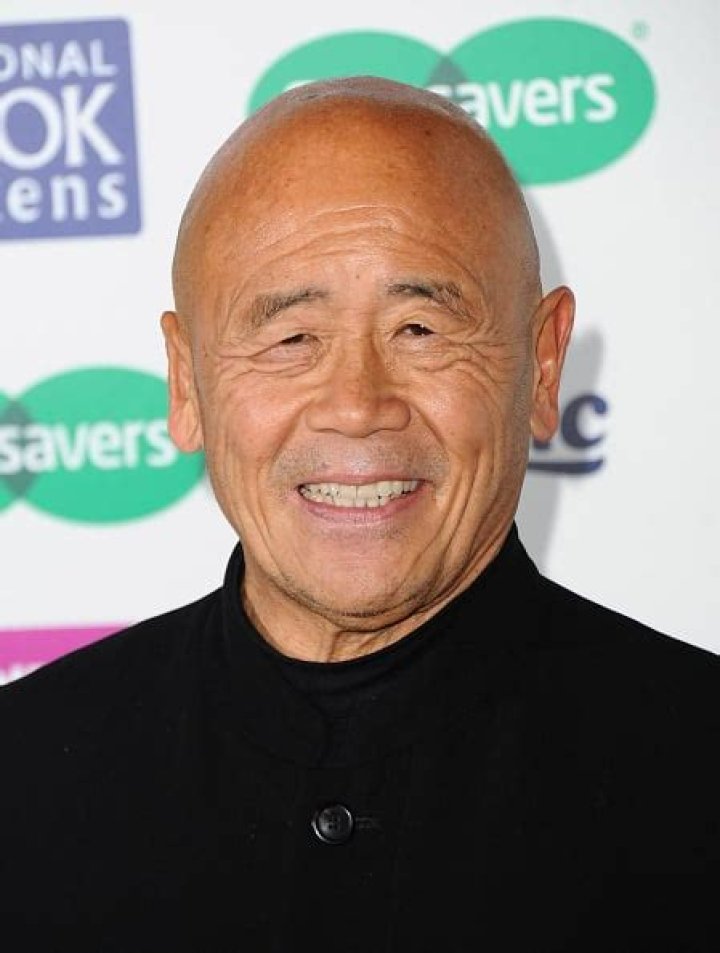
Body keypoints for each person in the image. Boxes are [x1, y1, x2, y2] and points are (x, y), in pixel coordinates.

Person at [0, 77, 717, 952]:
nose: (356, 405)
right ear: (186, 384)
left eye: (420, 329)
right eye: (292, 338)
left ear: (542, 363)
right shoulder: (25, 777)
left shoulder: (694, 772)